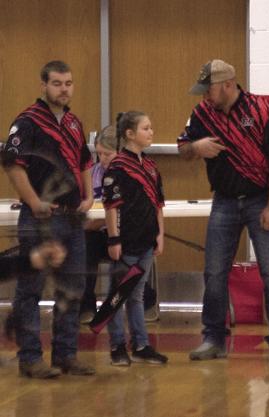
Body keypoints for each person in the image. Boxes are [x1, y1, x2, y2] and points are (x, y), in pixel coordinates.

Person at [177, 59, 269, 363]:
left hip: (260, 199)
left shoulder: (262, 111)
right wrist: (196, 147)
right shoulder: (202, 114)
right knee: (214, 272)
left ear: (228, 84)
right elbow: (182, 148)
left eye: (208, 89)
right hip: (224, 200)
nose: (204, 96)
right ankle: (213, 337)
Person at [2, 60, 95, 378]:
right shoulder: (28, 122)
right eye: (57, 83)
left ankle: (65, 355)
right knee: (31, 287)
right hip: (41, 219)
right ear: (43, 85)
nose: (64, 89)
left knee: (73, 287)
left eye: (68, 83)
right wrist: (33, 201)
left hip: (72, 219)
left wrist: (89, 194)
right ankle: (30, 358)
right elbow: (13, 164)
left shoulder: (73, 122)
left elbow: (84, 159)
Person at [102, 111, 168, 366]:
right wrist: (113, 239)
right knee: (118, 296)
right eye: (146, 128)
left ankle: (141, 345)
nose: (151, 132)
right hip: (127, 242)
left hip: (147, 242)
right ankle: (117, 346)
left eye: (151, 128)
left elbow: (158, 204)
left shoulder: (150, 166)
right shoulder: (118, 167)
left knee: (136, 296)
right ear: (129, 134)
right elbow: (111, 207)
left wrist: (160, 234)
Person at [79, 126, 122, 324]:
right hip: (97, 232)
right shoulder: (93, 174)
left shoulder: (128, 173)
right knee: (86, 244)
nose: (103, 158)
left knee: (133, 249)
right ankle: (86, 305)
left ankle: (119, 304)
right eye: (99, 153)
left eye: (108, 154)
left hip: (123, 232)